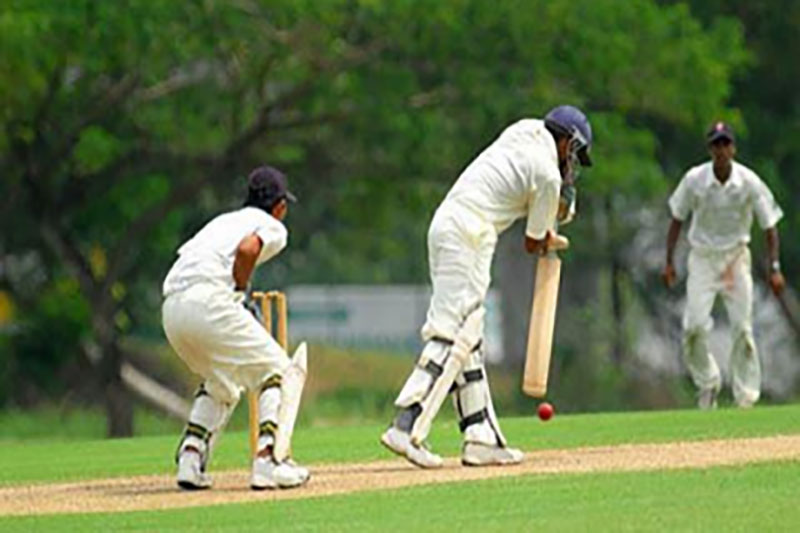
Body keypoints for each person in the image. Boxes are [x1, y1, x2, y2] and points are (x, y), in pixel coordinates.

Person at [381, 105, 593, 468]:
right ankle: (406, 424)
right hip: (471, 234)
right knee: (451, 334)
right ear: (568, 143)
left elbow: (518, 189)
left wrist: (552, 209)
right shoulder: (547, 175)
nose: (571, 164)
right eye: (574, 155)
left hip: (447, 224)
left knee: (469, 338)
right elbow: (534, 242)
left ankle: (481, 437)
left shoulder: (523, 129)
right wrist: (556, 216)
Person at [162, 165, 310, 490]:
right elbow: (247, 250)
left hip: (172, 310)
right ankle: (269, 460)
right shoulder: (272, 226)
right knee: (281, 373)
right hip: (210, 304)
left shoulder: (223, 221)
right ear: (280, 206)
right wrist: (240, 293)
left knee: (223, 382)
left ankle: (191, 458)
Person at [662, 122, 785, 409]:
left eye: (725, 144)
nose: (721, 150)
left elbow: (770, 226)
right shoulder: (694, 179)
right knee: (693, 327)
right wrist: (669, 262)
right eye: (716, 145)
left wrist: (775, 268)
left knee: (742, 328)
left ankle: (746, 397)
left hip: (735, 258)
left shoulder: (749, 182)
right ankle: (708, 382)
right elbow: (677, 219)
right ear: (710, 149)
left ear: (733, 149)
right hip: (703, 258)